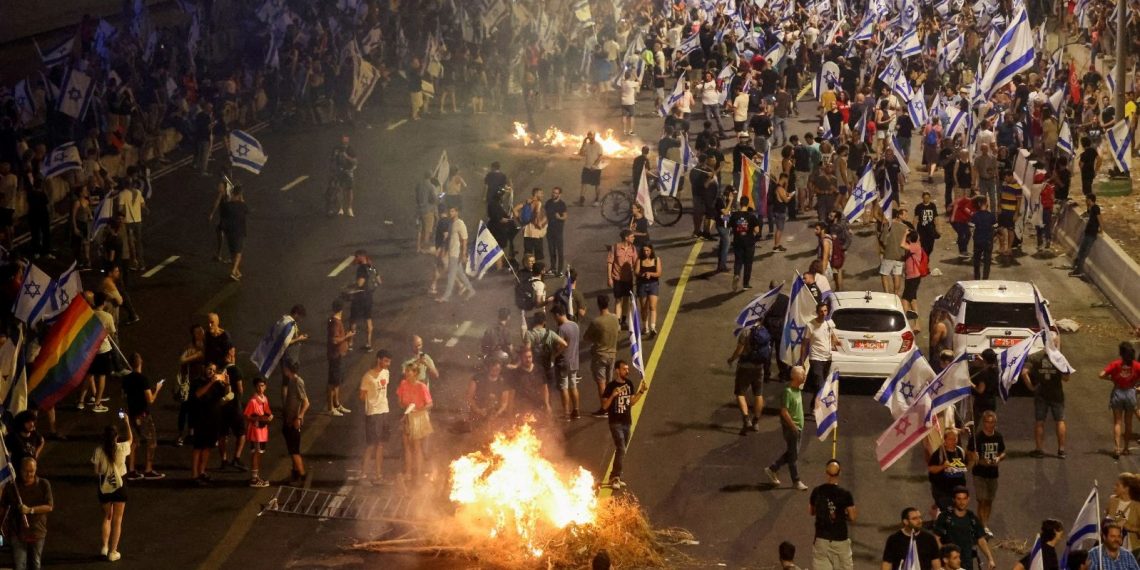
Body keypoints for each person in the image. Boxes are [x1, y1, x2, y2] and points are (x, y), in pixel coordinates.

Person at [602, 360, 647, 490]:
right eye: (624, 369)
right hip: (615, 423)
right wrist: (613, 395)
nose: (627, 371)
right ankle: (616, 477)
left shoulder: (629, 384)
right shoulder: (610, 387)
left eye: (627, 369)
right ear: (617, 370)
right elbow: (604, 406)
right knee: (621, 448)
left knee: (622, 450)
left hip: (627, 422)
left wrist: (641, 392)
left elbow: (631, 402)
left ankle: (614, 477)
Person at [2, 458, 53, 570]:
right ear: (20, 470)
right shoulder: (12, 487)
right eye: (26, 471)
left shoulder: (44, 484)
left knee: (35, 564)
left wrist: (30, 510)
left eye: (32, 471)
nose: (29, 474)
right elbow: (3, 506)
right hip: (17, 532)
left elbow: (49, 507)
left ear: (36, 470)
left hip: (37, 532)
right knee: (19, 565)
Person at [92, 417, 132, 561]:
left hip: (104, 487)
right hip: (120, 486)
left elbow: (96, 471)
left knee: (107, 516)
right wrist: (127, 422)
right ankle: (113, 551)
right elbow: (131, 440)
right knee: (118, 519)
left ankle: (104, 547)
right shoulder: (122, 448)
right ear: (116, 437)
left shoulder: (98, 451)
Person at [765, 365, 807, 491]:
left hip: (798, 427)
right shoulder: (788, 392)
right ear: (795, 377)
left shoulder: (798, 390)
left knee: (792, 453)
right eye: (802, 374)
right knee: (793, 456)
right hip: (792, 428)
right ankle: (796, 481)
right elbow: (784, 411)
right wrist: (793, 426)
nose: (805, 376)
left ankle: (772, 469)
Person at [933, 487, 997, 570]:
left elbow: (981, 539)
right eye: (959, 499)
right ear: (953, 499)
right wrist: (944, 555)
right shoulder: (945, 517)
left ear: (968, 499)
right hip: (949, 563)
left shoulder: (972, 518)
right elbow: (936, 538)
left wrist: (990, 559)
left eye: (964, 499)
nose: (962, 502)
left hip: (967, 562)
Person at [122, 353, 164, 480]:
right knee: (152, 441)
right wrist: (157, 389)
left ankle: (131, 470)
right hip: (143, 414)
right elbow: (150, 399)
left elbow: (123, 396)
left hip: (132, 413)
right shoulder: (143, 379)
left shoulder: (126, 379)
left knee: (133, 442)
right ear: (141, 363)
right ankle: (148, 469)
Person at [1021, 349, 1070, 458]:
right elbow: (1066, 378)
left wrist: (1031, 387)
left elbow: (1024, 373)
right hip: (1057, 394)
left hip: (1041, 393)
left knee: (1040, 421)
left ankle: (1039, 450)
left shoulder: (1035, 357)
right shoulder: (1060, 357)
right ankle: (1061, 450)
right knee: (1060, 421)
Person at [809, 460, 857, 570]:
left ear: (826, 472)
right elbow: (852, 517)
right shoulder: (845, 494)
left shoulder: (817, 491)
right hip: (840, 541)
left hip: (821, 540)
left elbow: (811, 511)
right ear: (840, 473)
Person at [726, 322, 772, 435]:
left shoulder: (746, 332)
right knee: (758, 394)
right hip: (759, 367)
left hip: (745, 367)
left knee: (740, 393)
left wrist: (731, 359)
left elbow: (739, 350)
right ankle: (756, 421)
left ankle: (746, 419)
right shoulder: (764, 331)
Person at [966, 411, 1005, 534]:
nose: (990, 424)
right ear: (983, 423)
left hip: (993, 473)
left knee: (989, 500)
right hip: (979, 473)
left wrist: (999, 458)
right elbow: (968, 451)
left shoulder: (998, 436)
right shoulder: (977, 438)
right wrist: (973, 455)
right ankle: (982, 526)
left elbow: (1003, 451)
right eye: (988, 422)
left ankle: (985, 524)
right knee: (982, 500)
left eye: (992, 422)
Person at [1101, 342, 1140, 458]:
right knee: (1128, 422)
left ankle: (1117, 448)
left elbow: (1101, 374)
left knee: (1118, 422)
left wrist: (1112, 379)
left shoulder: (1116, 364)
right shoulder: (1136, 365)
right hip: (1131, 393)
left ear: (1121, 353)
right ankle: (1126, 448)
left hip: (1118, 392)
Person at [359, 350, 392, 485]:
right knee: (371, 444)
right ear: (379, 360)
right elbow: (361, 396)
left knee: (381, 444)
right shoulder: (368, 376)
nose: (388, 364)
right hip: (373, 413)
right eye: (386, 361)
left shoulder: (386, 373)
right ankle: (364, 474)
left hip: (384, 411)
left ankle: (379, 474)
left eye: (389, 361)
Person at [397, 361, 434, 481]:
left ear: (416, 373)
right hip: (407, 417)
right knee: (407, 446)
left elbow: (430, 404)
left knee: (417, 447)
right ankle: (408, 473)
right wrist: (405, 406)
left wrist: (418, 408)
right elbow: (400, 402)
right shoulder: (403, 384)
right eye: (406, 371)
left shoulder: (421, 386)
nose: (406, 373)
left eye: (409, 371)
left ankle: (417, 475)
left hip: (418, 418)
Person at [586, 295, 621, 416]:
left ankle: (605, 408)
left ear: (598, 305)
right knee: (610, 382)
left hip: (600, 355)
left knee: (601, 383)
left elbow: (587, 338)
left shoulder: (597, 322)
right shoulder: (615, 318)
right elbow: (618, 330)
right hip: (612, 354)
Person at [801, 302, 840, 404]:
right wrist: (802, 361)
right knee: (820, 384)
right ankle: (819, 408)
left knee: (821, 385)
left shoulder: (830, 324)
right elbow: (804, 344)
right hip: (815, 358)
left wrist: (836, 342)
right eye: (821, 311)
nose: (823, 313)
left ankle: (814, 403)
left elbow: (833, 338)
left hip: (827, 358)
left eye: (825, 311)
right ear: (817, 312)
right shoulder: (810, 325)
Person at [437, 205, 476, 302]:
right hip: (451, 252)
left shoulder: (460, 223)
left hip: (456, 253)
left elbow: (464, 240)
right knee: (461, 274)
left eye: (453, 211)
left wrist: (463, 254)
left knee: (451, 275)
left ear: (457, 212)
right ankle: (471, 290)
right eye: (450, 211)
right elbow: (449, 239)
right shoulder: (451, 223)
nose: (451, 213)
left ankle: (446, 297)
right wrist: (445, 251)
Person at [281, 360, 310, 484]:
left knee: (294, 451)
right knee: (292, 450)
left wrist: (299, 417)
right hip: (288, 420)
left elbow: (306, 402)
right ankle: (295, 472)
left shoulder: (298, 382)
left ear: (288, 369)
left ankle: (302, 475)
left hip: (293, 421)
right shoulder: (292, 381)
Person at [928, 429, 968, 515]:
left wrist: (973, 459)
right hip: (943, 491)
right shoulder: (939, 453)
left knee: (957, 512)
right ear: (945, 440)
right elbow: (931, 468)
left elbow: (965, 466)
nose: (953, 441)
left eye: (955, 438)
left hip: (958, 491)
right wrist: (943, 466)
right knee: (948, 513)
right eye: (950, 439)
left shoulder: (960, 451)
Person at [552, 305, 582, 421]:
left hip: (563, 362)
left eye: (555, 317)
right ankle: (576, 410)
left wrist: (554, 354)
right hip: (574, 361)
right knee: (573, 385)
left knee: (564, 387)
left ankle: (566, 414)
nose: (555, 319)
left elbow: (560, 345)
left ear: (558, 315)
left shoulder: (562, 329)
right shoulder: (575, 325)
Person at [326, 299, 354, 416]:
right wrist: (347, 336)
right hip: (335, 356)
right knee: (332, 382)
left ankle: (336, 404)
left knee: (337, 382)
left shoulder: (333, 320)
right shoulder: (336, 323)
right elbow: (334, 340)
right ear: (341, 310)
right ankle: (330, 407)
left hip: (337, 355)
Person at [243, 377, 273, 488]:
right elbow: (246, 415)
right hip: (256, 432)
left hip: (263, 431)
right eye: (258, 386)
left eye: (262, 385)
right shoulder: (253, 401)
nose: (260, 388)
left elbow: (267, 411)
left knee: (259, 453)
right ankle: (254, 479)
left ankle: (256, 476)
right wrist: (258, 419)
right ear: (255, 387)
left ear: (265, 387)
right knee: (256, 453)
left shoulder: (264, 399)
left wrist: (269, 417)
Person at [729, 196, 761, 291]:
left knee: (738, 261)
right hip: (749, 243)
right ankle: (746, 284)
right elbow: (757, 230)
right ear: (747, 204)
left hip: (738, 241)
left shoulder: (735, 215)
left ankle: (736, 274)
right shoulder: (751, 216)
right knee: (748, 263)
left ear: (740, 204)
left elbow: (730, 226)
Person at [220, 184, 248, 281]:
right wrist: (242, 200)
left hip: (229, 231)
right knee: (238, 253)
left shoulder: (227, 206)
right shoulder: (242, 205)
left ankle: (237, 272)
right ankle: (233, 271)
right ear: (240, 194)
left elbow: (223, 216)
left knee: (232, 252)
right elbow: (247, 211)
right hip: (239, 232)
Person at [608, 230, 638, 321]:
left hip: (628, 278)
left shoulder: (633, 248)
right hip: (617, 278)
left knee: (626, 299)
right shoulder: (615, 247)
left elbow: (636, 262)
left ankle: (623, 320)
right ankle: (617, 320)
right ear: (626, 238)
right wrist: (609, 278)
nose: (634, 238)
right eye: (632, 237)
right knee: (618, 300)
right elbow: (610, 262)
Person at [1070, 194, 1101, 277]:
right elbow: (1087, 214)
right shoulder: (1090, 208)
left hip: (1091, 235)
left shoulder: (1096, 208)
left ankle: (1079, 270)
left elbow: (1099, 219)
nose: (1086, 201)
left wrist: (1101, 229)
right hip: (1087, 233)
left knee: (1084, 254)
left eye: (1087, 200)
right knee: (1081, 252)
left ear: (1090, 200)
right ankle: (1077, 268)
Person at [635, 244, 662, 337]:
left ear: (651, 250)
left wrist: (650, 274)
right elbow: (636, 272)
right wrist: (643, 274)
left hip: (653, 285)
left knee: (652, 306)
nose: (646, 252)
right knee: (643, 308)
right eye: (644, 250)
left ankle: (652, 327)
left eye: (648, 250)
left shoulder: (656, 259)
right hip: (642, 285)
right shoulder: (639, 260)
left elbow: (659, 273)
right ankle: (645, 327)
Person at [901, 230, 925, 332]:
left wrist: (905, 233)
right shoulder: (915, 245)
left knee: (905, 300)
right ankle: (917, 325)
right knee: (913, 300)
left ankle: (906, 326)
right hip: (911, 277)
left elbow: (901, 245)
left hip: (913, 278)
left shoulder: (915, 246)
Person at [970, 196, 998, 280]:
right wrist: (993, 237)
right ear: (987, 204)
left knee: (976, 261)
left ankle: (977, 278)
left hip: (978, 240)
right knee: (987, 261)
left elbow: (971, 228)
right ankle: (985, 278)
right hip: (988, 241)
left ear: (979, 204)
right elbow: (996, 228)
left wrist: (974, 237)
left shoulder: (975, 215)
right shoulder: (991, 216)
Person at [1106, 474, 1140, 543]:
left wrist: (1131, 528)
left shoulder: (1138, 506)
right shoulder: (1112, 500)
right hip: (1109, 544)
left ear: (1126, 489)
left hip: (1130, 548)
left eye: (1117, 485)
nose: (1114, 488)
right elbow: (1108, 517)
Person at [545, 187, 568, 275]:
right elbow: (545, 214)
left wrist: (559, 217)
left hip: (558, 231)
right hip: (549, 230)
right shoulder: (548, 203)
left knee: (559, 251)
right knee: (551, 250)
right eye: (553, 192)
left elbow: (565, 216)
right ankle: (553, 268)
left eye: (555, 193)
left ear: (559, 194)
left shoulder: (562, 204)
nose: (553, 194)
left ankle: (560, 270)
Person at [579, 132, 604, 206]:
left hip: (596, 168)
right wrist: (583, 143)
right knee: (584, 183)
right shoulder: (587, 145)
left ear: (594, 136)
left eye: (591, 135)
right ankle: (582, 199)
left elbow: (600, 157)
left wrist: (594, 165)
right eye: (588, 135)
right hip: (587, 167)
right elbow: (581, 153)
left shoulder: (598, 145)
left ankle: (597, 199)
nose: (589, 136)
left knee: (597, 184)